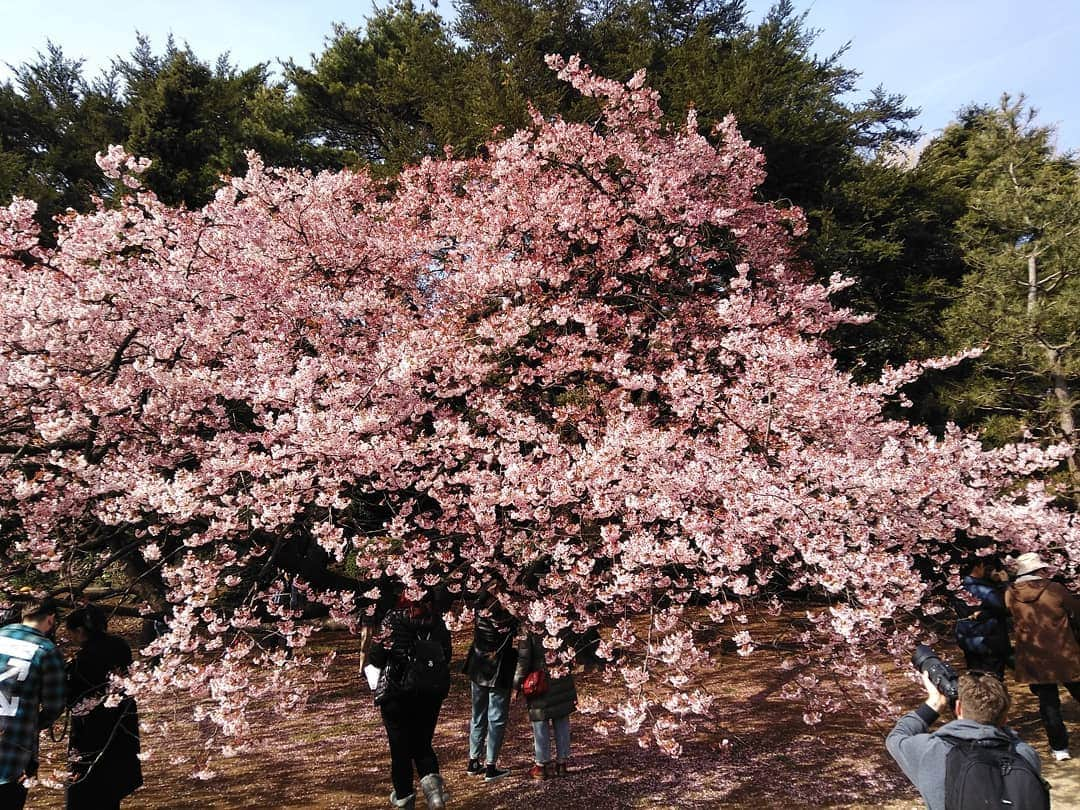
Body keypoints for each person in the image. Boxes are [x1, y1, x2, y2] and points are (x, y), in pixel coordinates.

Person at [886, 669, 1043, 810]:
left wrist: (934, 703)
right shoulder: (1024, 754)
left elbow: (896, 737)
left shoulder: (932, 751)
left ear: (959, 708)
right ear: (1005, 717)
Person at [368, 587, 452, 810]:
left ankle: (405, 799)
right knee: (423, 744)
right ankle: (435, 797)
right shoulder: (438, 624)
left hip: (397, 694)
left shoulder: (392, 620)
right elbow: (448, 655)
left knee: (400, 750)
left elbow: (376, 658)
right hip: (429, 694)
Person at [64, 604, 143, 810]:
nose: (71, 639)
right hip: (121, 724)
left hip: (91, 732)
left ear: (80, 631)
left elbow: (71, 698)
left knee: (84, 790)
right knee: (111, 791)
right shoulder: (121, 646)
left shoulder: (83, 661)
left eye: (71, 633)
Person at [1005, 550, 1080, 760]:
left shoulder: (1010, 592)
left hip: (1034, 655)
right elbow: (1075, 611)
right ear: (1040, 570)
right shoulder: (1054, 589)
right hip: (1063, 651)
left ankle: (1059, 749)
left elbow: (1010, 613)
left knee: (1048, 704)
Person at [0, 597, 65, 810]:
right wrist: (36, 724)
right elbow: (54, 705)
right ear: (51, 618)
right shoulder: (46, 650)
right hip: (14, 745)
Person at [463, 594, 518, 782]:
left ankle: (473, 760)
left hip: (478, 667)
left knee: (477, 715)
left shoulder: (479, 613)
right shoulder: (508, 619)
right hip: (499, 670)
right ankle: (491, 765)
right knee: (496, 718)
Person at [512, 632, 577, 780]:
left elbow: (523, 659)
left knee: (540, 719)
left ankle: (541, 765)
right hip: (561, 675)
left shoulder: (528, 626)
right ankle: (562, 762)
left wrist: (516, 685)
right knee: (561, 716)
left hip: (539, 681)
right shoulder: (565, 616)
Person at [954, 558, 1011, 677]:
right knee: (992, 680)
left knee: (975, 678)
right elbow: (1006, 607)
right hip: (989, 640)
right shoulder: (987, 591)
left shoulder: (958, 588)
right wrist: (1005, 584)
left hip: (967, 639)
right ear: (978, 566)